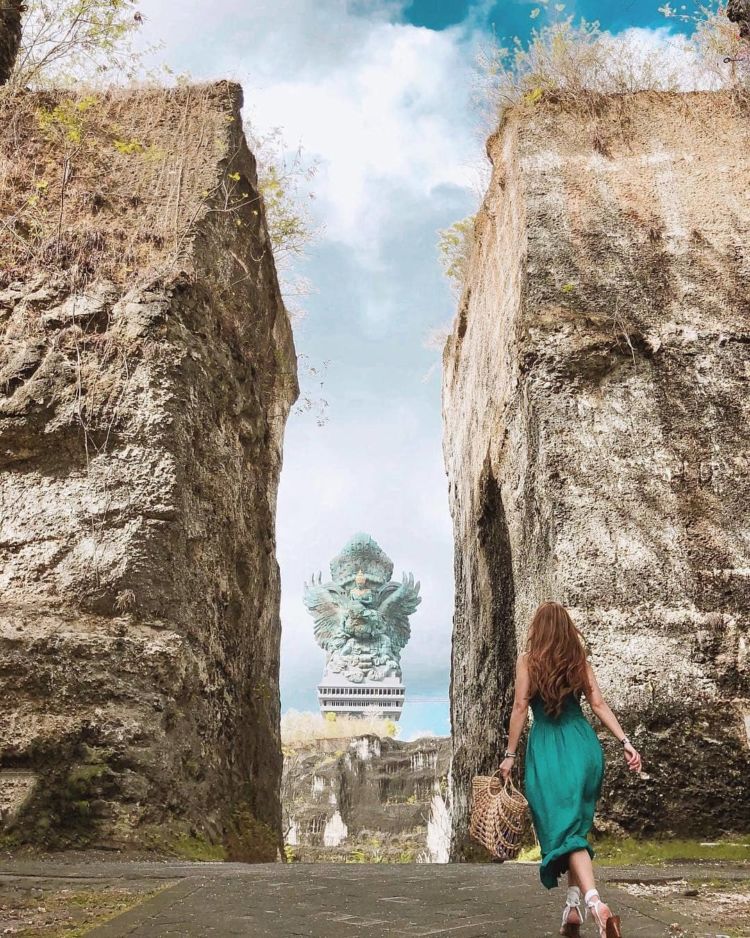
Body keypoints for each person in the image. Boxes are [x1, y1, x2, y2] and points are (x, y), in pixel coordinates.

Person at [498, 601, 642, 938]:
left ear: (538, 629)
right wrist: (625, 741)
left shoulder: (528, 662)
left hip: (549, 749)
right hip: (583, 747)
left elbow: (520, 707)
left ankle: (595, 904)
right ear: (566, 629)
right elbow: (598, 704)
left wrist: (509, 754)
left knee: (563, 830)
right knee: (574, 828)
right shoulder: (578, 661)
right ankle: (572, 908)